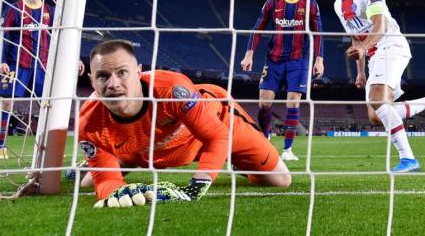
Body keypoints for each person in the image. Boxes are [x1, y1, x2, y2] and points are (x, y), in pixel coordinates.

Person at [79, 40, 291, 208]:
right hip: (145, 148)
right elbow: (107, 183)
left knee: (281, 180)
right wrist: (118, 191)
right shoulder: (88, 122)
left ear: (138, 71)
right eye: (103, 76)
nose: (113, 84)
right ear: (92, 81)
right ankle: (112, 159)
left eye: (122, 73)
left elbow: (216, 136)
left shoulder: (172, 90)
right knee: (89, 184)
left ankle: (235, 160)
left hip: (219, 124)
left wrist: (196, 187)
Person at [322, 0, 425, 173]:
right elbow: (356, 36)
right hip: (374, 54)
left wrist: (363, 48)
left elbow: (379, 25)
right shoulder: (338, 4)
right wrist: (361, 71)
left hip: (390, 45)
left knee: (377, 100)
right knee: (375, 115)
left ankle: (409, 160)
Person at [0, 0, 84, 159]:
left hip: (42, 67)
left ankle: (46, 146)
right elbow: (2, 35)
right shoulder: (14, 9)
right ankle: (0, 147)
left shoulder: (50, 12)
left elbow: (63, 36)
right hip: (15, 65)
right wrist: (1, 61)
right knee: (6, 103)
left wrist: (74, 57)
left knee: (49, 103)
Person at [240, 0, 324, 162]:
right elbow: (258, 27)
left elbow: (318, 32)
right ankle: (266, 139)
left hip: (299, 59)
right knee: (264, 102)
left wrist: (319, 59)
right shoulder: (272, 2)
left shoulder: (310, 4)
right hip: (274, 58)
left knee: (293, 101)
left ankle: (287, 150)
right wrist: (249, 54)